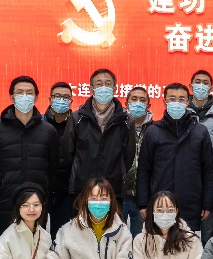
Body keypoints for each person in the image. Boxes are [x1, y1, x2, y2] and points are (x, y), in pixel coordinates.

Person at [136, 83, 213, 241]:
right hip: (159, 205)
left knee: (187, 248)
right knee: (158, 247)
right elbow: (144, 170)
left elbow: (208, 170)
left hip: (190, 203)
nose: (177, 103)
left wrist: (207, 204)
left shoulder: (200, 131)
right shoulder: (153, 131)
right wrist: (143, 203)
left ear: (188, 102)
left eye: (181, 99)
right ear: (164, 101)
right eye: (172, 99)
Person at [0, 75, 59, 234]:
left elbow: (52, 169)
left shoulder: (48, 131)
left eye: (29, 93)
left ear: (36, 97)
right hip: (4, 205)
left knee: (35, 247)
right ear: (12, 97)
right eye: (20, 92)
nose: (24, 96)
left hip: (35, 205)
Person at [62, 69, 136, 207]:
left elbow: (128, 156)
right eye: (99, 84)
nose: (103, 87)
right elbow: (68, 153)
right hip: (81, 189)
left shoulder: (126, 121)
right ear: (91, 89)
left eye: (108, 84)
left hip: (113, 190)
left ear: (115, 89)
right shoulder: (78, 118)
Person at [44, 82, 76, 231]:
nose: (61, 100)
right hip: (42, 187)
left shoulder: (77, 123)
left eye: (66, 97)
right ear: (50, 99)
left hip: (66, 190)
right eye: (57, 96)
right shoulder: (39, 122)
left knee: (61, 234)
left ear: (71, 101)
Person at [122, 86, 153, 237]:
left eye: (142, 100)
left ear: (148, 105)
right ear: (126, 103)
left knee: (140, 239)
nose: (138, 103)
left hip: (143, 197)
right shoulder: (118, 127)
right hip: (120, 193)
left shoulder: (155, 129)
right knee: (116, 238)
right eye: (134, 99)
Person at [188, 69, 213, 148]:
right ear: (191, 87)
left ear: (211, 89)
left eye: (205, 83)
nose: (201, 86)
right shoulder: (182, 111)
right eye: (197, 82)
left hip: (211, 154)